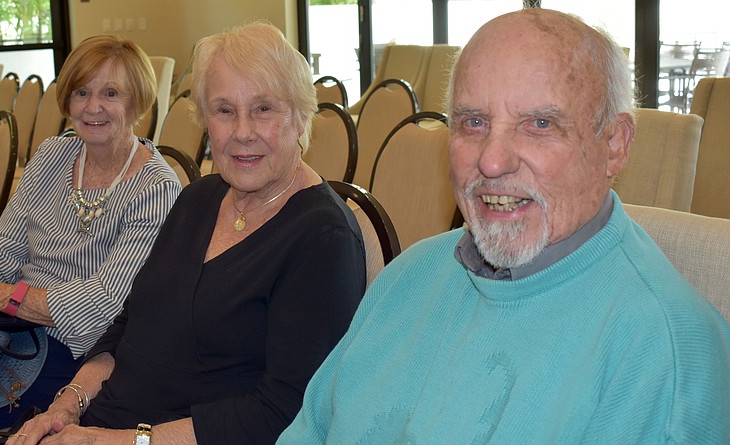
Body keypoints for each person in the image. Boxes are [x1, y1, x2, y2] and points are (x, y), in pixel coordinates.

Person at [279, 8, 730, 444]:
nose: (491, 161)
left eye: (538, 123)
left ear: (614, 145)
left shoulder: (667, 362)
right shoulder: (407, 278)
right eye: (473, 122)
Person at [7, 21, 366, 445]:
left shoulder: (323, 238)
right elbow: (128, 323)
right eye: (225, 110)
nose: (243, 131)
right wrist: (67, 406)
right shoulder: (199, 197)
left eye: (264, 109)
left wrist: (121, 441)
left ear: (302, 117)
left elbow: (282, 412)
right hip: (100, 422)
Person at [0, 35, 182, 445]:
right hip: (4, 323)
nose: (92, 107)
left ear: (138, 102)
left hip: (70, 348)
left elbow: (99, 307)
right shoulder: (54, 154)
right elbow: (3, 246)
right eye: (81, 92)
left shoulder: (156, 187)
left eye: (111, 93)